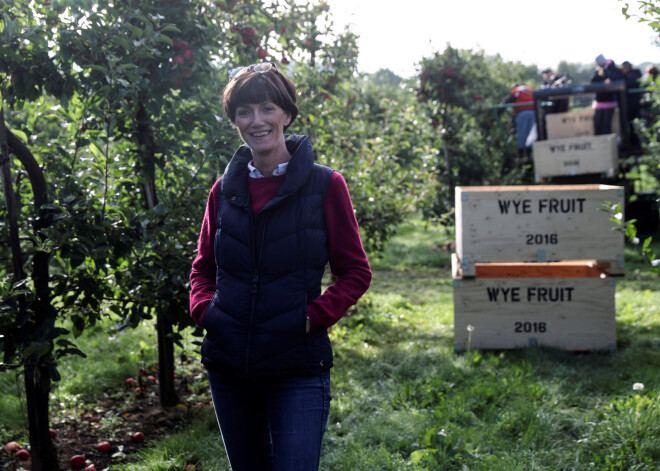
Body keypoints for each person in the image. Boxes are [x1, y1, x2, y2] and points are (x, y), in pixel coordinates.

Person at [189, 62, 372, 471]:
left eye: (267, 108)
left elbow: (356, 271)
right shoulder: (224, 189)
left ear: (286, 114)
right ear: (234, 121)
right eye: (244, 112)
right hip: (229, 364)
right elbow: (203, 268)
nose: (256, 121)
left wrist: (310, 319)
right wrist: (207, 313)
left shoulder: (326, 185)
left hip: (297, 362)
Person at [499, 83, 536, 162]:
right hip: (533, 113)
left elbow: (506, 102)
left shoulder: (516, 90)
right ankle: (529, 156)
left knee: (521, 134)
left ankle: (521, 157)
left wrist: (498, 113)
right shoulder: (529, 89)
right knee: (531, 135)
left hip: (522, 113)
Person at [590, 54, 623, 135]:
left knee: (606, 125)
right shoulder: (598, 70)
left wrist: (611, 80)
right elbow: (592, 81)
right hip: (599, 101)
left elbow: (621, 77)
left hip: (610, 101)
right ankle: (597, 144)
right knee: (597, 124)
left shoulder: (612, 69)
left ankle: (606, 145)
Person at [621, 60, 643, 151]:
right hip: (632, 105)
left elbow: (628, 86)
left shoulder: (633, 76)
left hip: (632, 106)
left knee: (633, 127)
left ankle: (637, 146)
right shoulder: (635, 75)